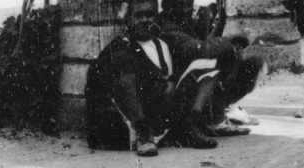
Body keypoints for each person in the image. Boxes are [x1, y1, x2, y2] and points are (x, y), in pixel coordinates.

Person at [83, 15, 219, 156]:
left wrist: (172, 81)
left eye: (149, 14)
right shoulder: (120, 45)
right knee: (121, 61)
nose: (144, 20)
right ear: (128, 20)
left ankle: (192, 125)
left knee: (207, 65)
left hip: (163, 109)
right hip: (134, 113)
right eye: (138, 15)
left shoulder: (163, 43)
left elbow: (177, 71)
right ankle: (144, 134)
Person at [157, 0, 262, 135]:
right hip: (175, 92)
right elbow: (198, 49)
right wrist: (228, 42)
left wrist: (214, 24)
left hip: (195, 85)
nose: (186, 10)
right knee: (217, 59)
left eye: (188, 5)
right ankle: (214, 120)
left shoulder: (188, 21)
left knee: (251, 64)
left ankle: (218, 112)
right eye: (179, 5)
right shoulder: (165, 25)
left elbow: (207, 42)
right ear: (166, 6)